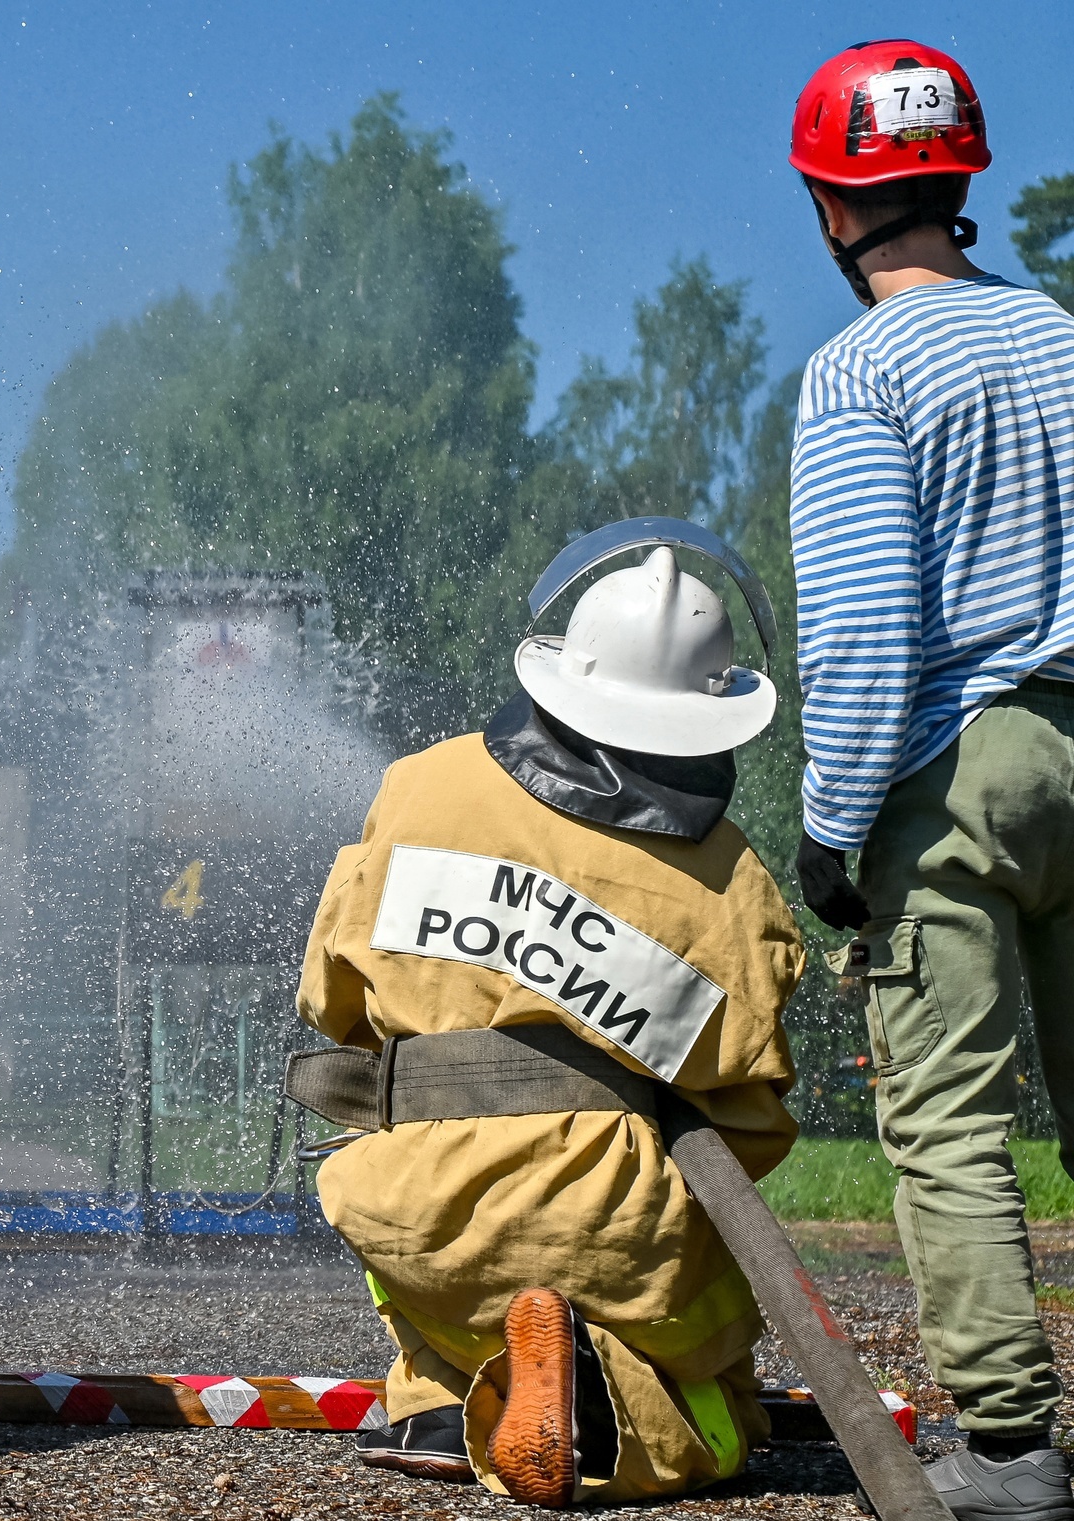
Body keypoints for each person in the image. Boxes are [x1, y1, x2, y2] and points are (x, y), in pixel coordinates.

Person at [294, 527, 803, 1507]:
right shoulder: (732, 877)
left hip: (414, 1203)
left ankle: (440, 1401)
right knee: (723, 1414)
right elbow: (749, 1127)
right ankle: (610, 1405)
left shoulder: (417, 785)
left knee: (390, 1199)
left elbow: (331, 997)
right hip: (615, 1225)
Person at [785, 38, 1074, 1521]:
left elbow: (865, 629)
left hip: (957, 772)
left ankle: (1016, 1454)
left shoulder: (859, 373)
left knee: (953, 1115)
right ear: (958, 178)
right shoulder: (1067, 335)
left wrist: (831, 827)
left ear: (832, 205)